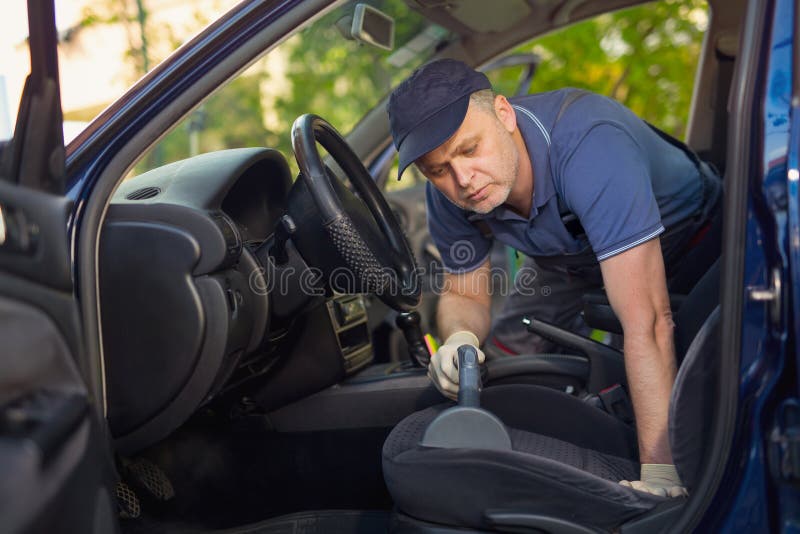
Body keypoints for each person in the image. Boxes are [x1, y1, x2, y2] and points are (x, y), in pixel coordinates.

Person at [386, 59, 721, 498]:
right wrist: (459, 338)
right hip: (567, 257)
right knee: (510, 349)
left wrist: (660, 471)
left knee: (652, 349)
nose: (462, 180)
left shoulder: (588, 145)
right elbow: (464, 290)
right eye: (437, 169)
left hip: (696, 240)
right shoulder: (449, 191)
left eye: (470, 149)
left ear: (504, 114)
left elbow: (649, 322)